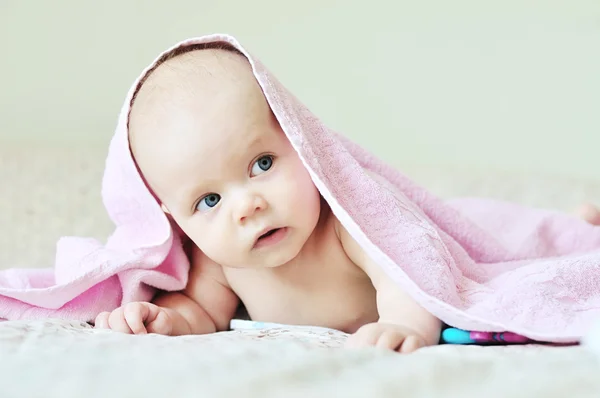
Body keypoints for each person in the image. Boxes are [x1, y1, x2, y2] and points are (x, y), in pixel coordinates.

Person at [95, 44, 600, 353]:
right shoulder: (221, 263)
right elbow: (202, 314)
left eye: (262, 164)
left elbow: (403, 267)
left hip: (453, 228)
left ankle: (574, 226)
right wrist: (168, 320)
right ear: (174, 218)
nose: (246, 205)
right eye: (208, 201)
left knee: (512, 238)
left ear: (300, 142)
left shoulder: (346, 223)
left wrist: (404, 324)